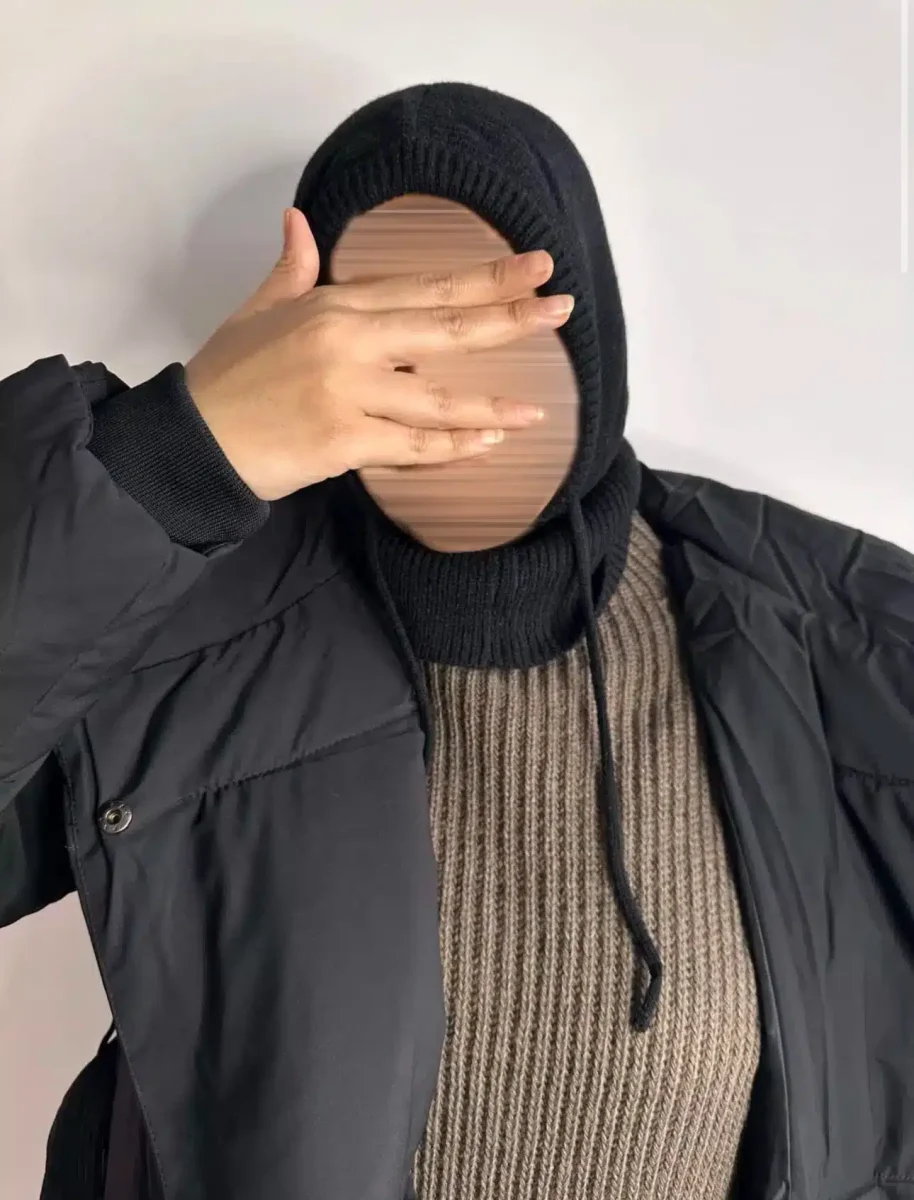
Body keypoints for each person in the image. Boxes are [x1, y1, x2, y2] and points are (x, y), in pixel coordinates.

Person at [1, 83, 912, 1200]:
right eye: (382, 325)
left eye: (492, 313)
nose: (442, 381)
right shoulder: (180, 627)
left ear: (591, 326)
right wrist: (173, 458)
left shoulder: (821, 635)